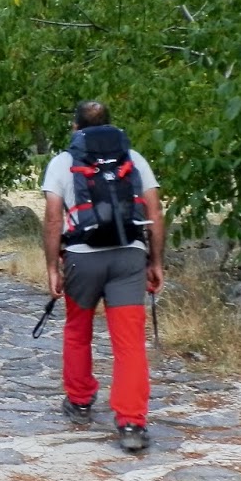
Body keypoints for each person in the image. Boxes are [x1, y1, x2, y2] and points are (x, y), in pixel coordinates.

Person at [42, 100, 165, 452]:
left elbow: (53, 217)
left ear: (74, 127)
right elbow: (155, 211)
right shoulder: (134, 159)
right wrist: (155, 261)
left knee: (78, 332)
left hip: (83, 260)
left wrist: (53, 266)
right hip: (129, 257)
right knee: (129, 344)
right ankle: (131, 424)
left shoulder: (63, 163)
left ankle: (80, 402)